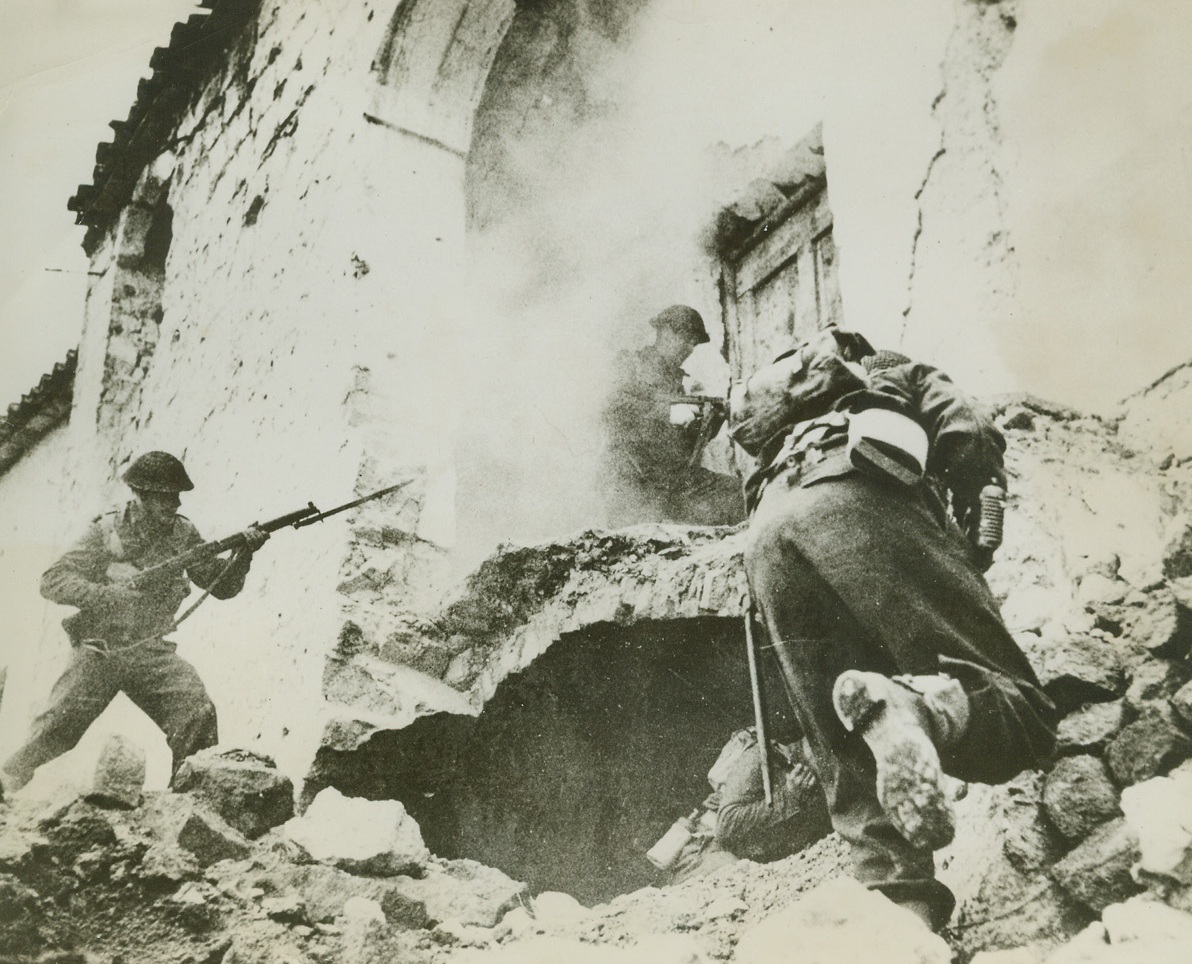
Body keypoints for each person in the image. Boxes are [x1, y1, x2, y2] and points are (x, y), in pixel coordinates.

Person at [735, 331, 1056, 930]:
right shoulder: (887, 371)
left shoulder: (776, 417)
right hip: (856, 485)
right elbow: (967, 426)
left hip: (767, 536)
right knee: (1023, 711)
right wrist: (978, 501)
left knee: (846, 749)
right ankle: (918, 706)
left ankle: (901, 923)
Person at [0, 451, 269, 797]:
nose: (173, 503)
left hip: (150, 651)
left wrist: (243, 554)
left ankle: (190, 800)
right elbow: (52, 580)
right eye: (164, 496)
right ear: (140, 496)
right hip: (101, 649)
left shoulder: (183, 534)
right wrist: (109, 597)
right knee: (56, 728)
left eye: (176, 496)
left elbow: (223, 587)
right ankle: (5, 786)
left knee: (195, 711)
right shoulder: (104, 531)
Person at [601, 304, 745, 527]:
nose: (690, 348)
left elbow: (682, 448)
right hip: (635, 483)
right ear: (666, 332)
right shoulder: (630, 364)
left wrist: (708, 421)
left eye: (694, 343)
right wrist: (667, 412)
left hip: (675, 482)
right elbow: (611, 408)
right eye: (687, 339)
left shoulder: (678, 382)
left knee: (743, 494)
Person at [652, 727, 829, 886]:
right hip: (702, 852)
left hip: (735, 857)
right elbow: (726, 825)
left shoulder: (815, 783)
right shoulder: (762, 755)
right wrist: (789, 795)